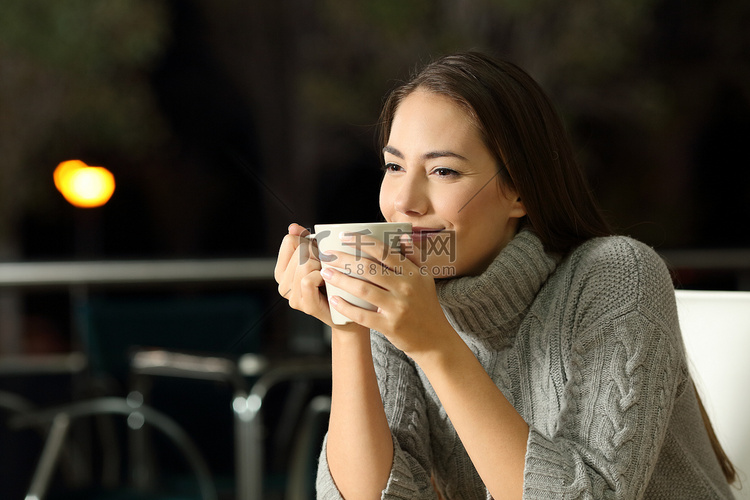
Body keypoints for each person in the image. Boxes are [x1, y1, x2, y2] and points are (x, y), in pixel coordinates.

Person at [274, 52, 736, 499]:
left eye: (443, 170)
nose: (405, 201)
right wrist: (348, 324)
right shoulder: (403, 297)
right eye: (394, 166)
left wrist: (434, 344)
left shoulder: (617, 275)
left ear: (518, 191)